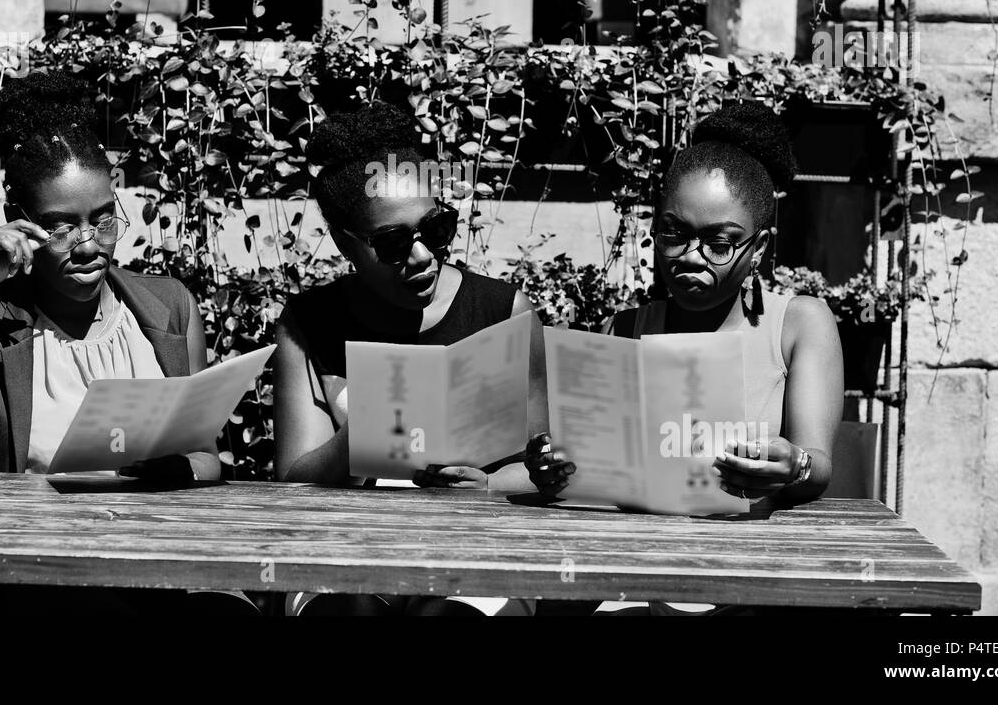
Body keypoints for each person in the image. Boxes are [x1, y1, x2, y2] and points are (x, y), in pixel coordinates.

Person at [0, 71, 256, 615]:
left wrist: (172, 471)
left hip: (152, 566)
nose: (90, 244)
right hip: (26, 577)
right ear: (21, 225)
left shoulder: (167, 309)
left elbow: (206, 461)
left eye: (103, 218)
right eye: (62, 226)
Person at [527, 101, 843, 615]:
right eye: (674, 233)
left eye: (720, 243)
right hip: (639, 568)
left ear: (759, 248)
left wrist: (794, 466)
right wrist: (555, 469)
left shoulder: (798, 324)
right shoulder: (627, 330)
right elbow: (593, 478)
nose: (691, 257)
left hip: (752, 572)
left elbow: (818, 465)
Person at [272, 102, 547, 615]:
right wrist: (361, 439)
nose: (423, 255)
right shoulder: (309, 322)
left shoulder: (503, 310)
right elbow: (293, 482)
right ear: (343, 243)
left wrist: (487, 485)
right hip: (345, 553)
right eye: (393, 243)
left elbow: (542, 466)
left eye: (436, 229)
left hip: (473, 551)